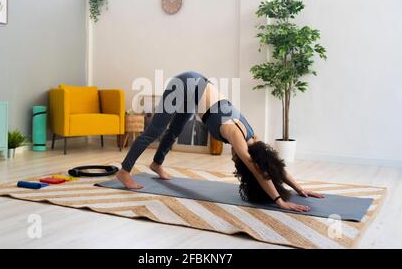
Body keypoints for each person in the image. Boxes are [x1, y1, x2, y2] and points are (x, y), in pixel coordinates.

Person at [116, 71, 324, 212]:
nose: (235, 161)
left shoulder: (253, 137)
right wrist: (279, 201)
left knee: (175, 130)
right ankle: (124, 172)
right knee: (154, 131)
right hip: (184, 84)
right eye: (237, 162)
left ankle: (157, 164)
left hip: (196, 88)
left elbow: (271, 165)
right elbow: (256, 168)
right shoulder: (236, 134)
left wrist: (299, 188)